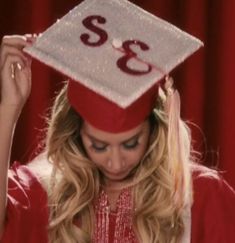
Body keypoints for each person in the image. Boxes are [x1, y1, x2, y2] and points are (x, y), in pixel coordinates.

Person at [0, 1, 235, 243]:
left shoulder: (200, 196)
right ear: (76, 133)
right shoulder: (47, 194)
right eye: (99, 146)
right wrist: (9, 108)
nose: (115, 162)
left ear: (154, 130)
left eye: (131, 144)